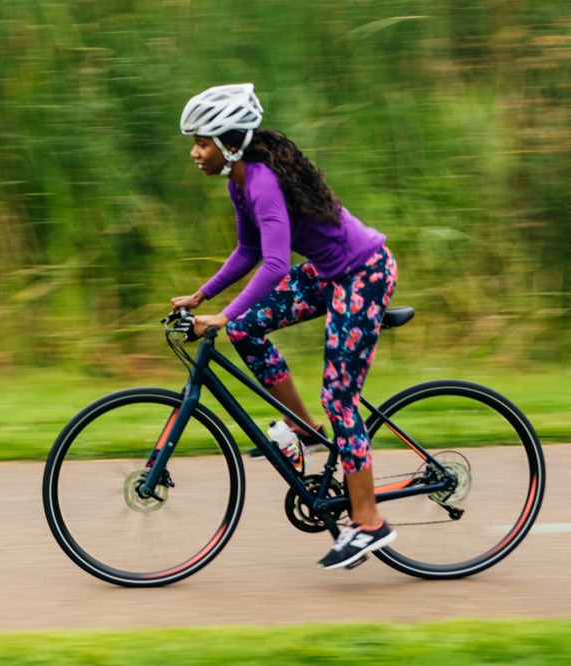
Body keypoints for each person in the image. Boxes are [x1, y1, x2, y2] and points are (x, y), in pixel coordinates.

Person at [169, 83, 400, 569]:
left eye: (202, 143)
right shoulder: (239, 182)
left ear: (230, 143)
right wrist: (202, 296)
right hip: (330, 273)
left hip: (364, 273)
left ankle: (369, 522)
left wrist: (223, 313)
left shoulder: (262, 182)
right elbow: (248, 251)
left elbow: (275, 265)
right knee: (244, 331)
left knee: (340, 398)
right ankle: (304, 428)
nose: (194, 152)